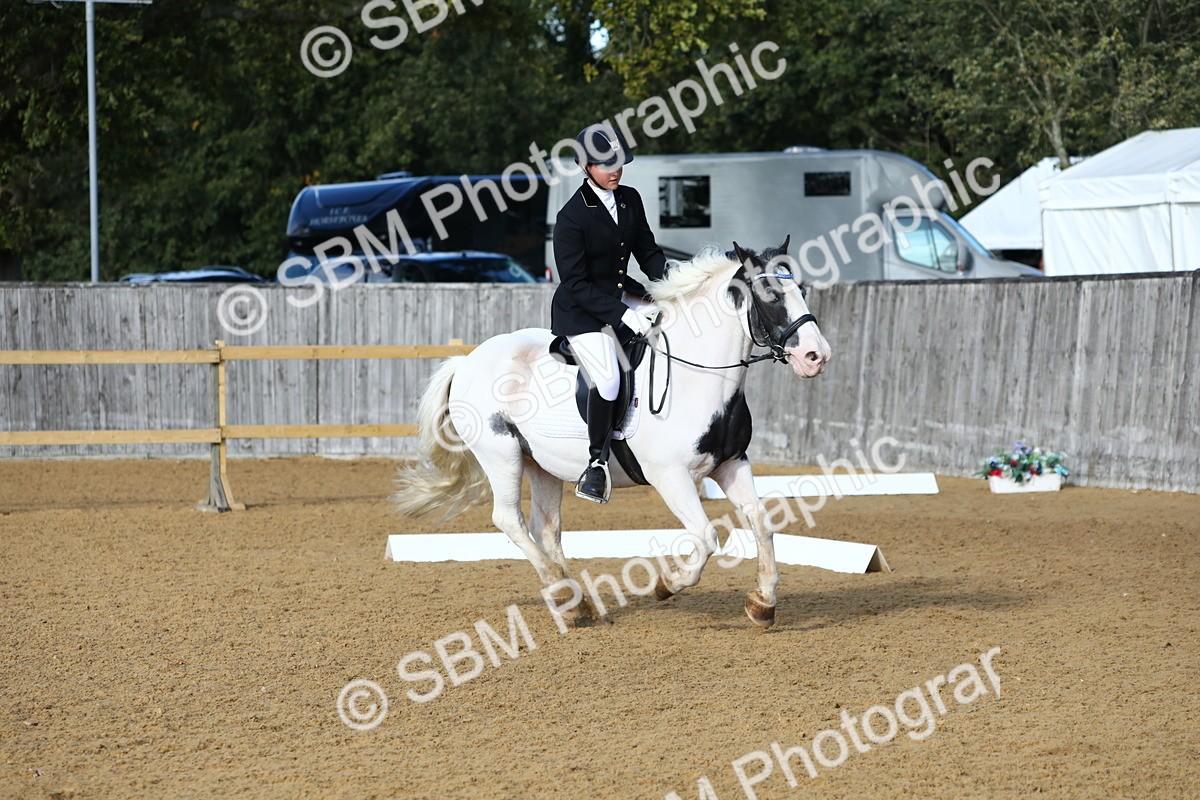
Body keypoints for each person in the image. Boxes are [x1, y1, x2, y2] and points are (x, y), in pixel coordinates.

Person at [551, 123, 669, 503]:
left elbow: (647, 252)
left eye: (618, 162)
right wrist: (622, 314)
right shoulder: (571, 217)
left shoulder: (630, 199)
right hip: (582, 311)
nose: (615, 170)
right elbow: (576, 283)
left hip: (622, 295)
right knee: (608, 379)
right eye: (605, 164)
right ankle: (597, 463)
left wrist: (672, 286)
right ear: (585, 167)